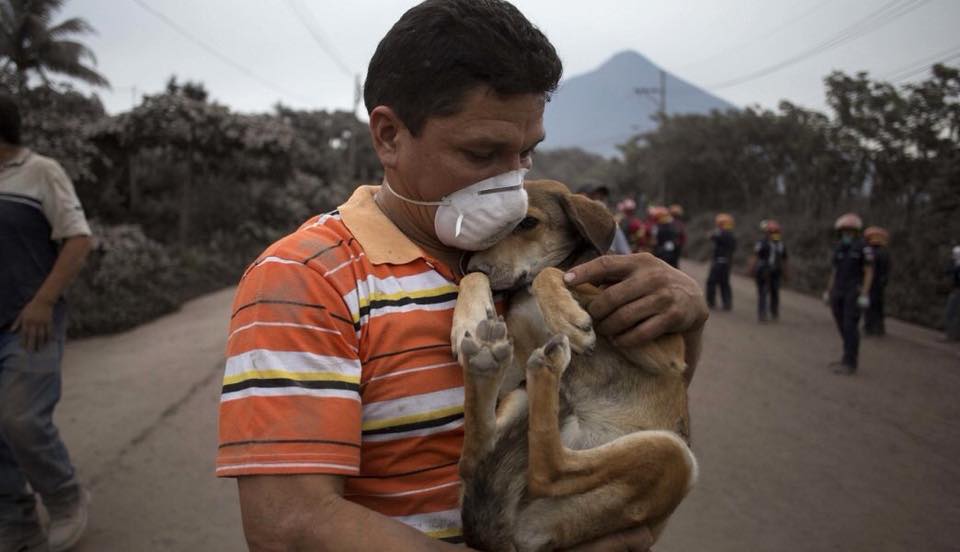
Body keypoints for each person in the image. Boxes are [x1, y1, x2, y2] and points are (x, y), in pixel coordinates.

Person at [217, 2, 709, 550]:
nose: (511, 181)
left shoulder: (540, 249)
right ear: (388, 137)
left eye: (526, 152)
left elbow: (631, 401)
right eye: (481, 153)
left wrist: (684, 319)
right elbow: (288, 526)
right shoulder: (308, 280)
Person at [0, 94, 94, 551]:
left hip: (29, 321)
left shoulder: (40, 172)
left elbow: (77, 238)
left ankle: (64, 496)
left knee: (20, 419)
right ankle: (15, 522)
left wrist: (43, 301)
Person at [823, 213, 874, 375]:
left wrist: (865, 293)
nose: (847, 234)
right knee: (840, 322)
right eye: (844, 231)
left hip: (854, 290)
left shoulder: (863, 248)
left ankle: (850, 362)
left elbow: (869, 271)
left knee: (850, 325)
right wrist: (828, 290)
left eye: (850, 231)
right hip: (838, 290)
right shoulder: (839, 247)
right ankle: (847, 355)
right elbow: (834, 271)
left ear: (856, 232)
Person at [748, 219, 788, 323]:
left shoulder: (780, 245)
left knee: (774, 292)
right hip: (763, 271)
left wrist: (786, 273)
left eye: (776, 232)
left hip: (775, 271)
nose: (774, 234)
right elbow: (755, 256)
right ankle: (763, 314)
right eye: (772, 232)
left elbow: (784, 260)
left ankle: (773, 313)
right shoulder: (762, 243)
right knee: (763, 292)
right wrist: (752, 269)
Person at [585, 185, 631, 255]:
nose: (598, 202)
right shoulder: (578, 226)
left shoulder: (613, 226)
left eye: (601, 198)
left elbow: (625, 252)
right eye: (593, 198)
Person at [862, 226, 890, 336]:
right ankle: (880, 328)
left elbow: (868, 269)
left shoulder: (870, 252)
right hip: (881, 282)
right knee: (879, 305)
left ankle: (869, 327)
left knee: (870, 305)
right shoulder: (886, 253)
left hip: (872, 282)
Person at [706, 213, 737, 311]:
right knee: (725, 283)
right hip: (728, 262)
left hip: (718, 261)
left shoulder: (721, 233)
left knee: (711, 282)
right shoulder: (732, 235)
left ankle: (711, 302)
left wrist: (715, 231)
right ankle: (727, 303)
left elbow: (711, 236)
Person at [945, 245, 960, 341]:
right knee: (951, 312)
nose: (953, 256)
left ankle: (953, 335)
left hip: (957, 290)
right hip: (955, 289)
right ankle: (951, 335)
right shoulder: (954, 263)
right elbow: (947, 271)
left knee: (952, 312)